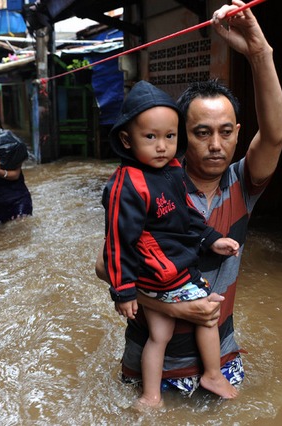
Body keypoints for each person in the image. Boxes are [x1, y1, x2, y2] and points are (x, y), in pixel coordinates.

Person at [96, 0, 282, 396]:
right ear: (182, 136)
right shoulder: (150, 185)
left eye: (226, 132)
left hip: (221, 356)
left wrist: (259, 53)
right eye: (202, 132)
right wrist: (174, 308)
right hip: (149, 363)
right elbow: (104, 266)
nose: (216, 144)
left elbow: (275, 134)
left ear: (237, 134)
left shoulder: (242, 185)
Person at [103, 80, 241, 409]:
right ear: (127, 139)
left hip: (160, 273)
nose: (162, 147)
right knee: (208, 312)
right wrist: (123, 292)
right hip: (163, 272)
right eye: (151, 137)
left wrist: (212, 239)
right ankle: (212, 374)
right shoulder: (127, 185)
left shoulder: (172, 170)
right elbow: (117, 243)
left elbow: (188, 215)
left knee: (159, 335)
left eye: (170, 136)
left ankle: (151, 397)